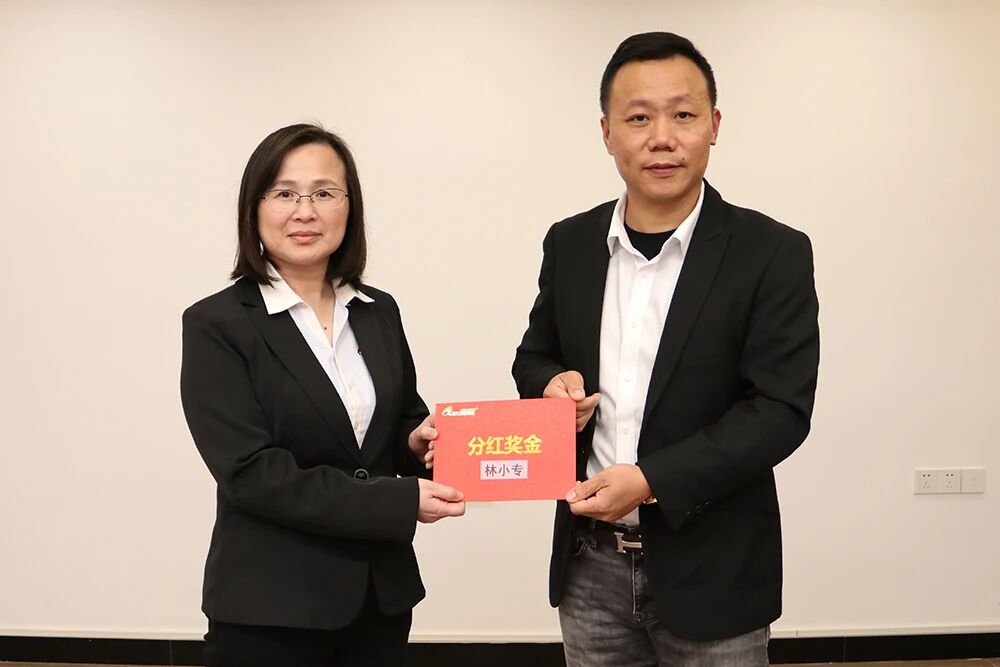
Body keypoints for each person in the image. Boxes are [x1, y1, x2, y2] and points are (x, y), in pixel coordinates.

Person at [512, 32, 820, 666]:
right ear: (607, 133)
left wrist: (652, 481)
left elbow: (779, 411)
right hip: (589, 564)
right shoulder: (570, 243)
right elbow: (534, 354)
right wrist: (549, 384)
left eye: (683, 114)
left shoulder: (772, 252)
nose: (662, 138)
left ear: (714, 125)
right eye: (638, 118)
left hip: (715, 569)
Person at [180, 123, 465, 666]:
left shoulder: (378, 311)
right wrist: (396, 502)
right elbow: (251, 473)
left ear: (349, 207)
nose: (305, 212)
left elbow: (396, 422)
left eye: (324, 193)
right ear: (254, 208)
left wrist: (417, 442)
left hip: (378, 600)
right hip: (271, 609)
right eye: (284, 193)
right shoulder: (217, 323)